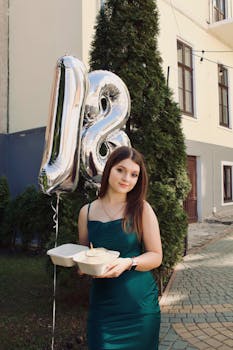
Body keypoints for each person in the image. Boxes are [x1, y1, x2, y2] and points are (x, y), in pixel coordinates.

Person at [78, 146, 162, 350]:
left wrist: (129, 262)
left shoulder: (142, 209)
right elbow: (83, 258)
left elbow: (156, 256)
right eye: (120, 170)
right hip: (103, 308)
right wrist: (82, 268)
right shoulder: (86, 212)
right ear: (109, 169)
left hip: (140, 309)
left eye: (134, 174)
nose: (127, 178)